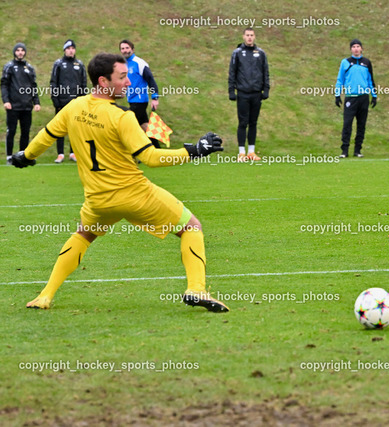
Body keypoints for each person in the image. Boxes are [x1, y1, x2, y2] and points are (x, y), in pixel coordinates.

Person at [11, 52, 228, 312]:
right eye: (122, 77)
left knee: (83, 235)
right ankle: (196, 290)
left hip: (98, 201)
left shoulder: (74, 108)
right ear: (103, 81)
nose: (128, 82)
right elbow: (151, 158)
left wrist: (26, 156)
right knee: (191, 227)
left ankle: (45, 296)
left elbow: (45, 136)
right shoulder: (122, 117)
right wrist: (194, 151)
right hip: (135, 195)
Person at [228, 27, 270, 162]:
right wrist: (231, 90)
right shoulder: (237, 53)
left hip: (256, 93)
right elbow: (232, 72)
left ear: (254, 36)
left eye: (251, 35)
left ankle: (251, 151)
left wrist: (266, 89)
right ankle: (241, 152)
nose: (249, 37)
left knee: (253, 122)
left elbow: (265, 72)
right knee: (243, 122)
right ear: (243, 37)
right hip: (243, 93)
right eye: (247, 35)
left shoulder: (261, 53)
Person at [335, 38, 376, 158]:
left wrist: (374, 96)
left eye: (358, 46)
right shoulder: (345, 62)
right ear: (350, 49)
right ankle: (344, 151)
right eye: (353, 47)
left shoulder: (366, 62)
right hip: (350, 97)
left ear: (361, 48)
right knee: (347, 124)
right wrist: (337, 95)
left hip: (363, 98)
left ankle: (357, 150)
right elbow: (340, 80)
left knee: (361, 125)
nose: (356, 49)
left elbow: (370, 80)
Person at [2, 43, 40, 165]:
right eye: (18, 50)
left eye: (22, 50)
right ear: (14, 52)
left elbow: (33, 86)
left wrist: (36, 102)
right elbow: (4, 85)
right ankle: (9, 157)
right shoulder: (9, 66)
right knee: (11, 131)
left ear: (25, 52)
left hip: (26, 106)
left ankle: (22, 156)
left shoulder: (29, 68)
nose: (20, 52)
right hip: (13, 106)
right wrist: (6, 101)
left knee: (25, 132)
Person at [50, 39, 87, 163]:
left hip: (76, 102)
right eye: (68, 48)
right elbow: (53, 83)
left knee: (75, 128)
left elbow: (83, 84)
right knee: (60, 128)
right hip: (62, 102)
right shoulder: (58, 64)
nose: (71, 51)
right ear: (64, 50)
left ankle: (73, 153)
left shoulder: (79, 64)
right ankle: (60, 154)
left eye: (72, 48)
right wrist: (56, 101)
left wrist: (82, 100)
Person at [119, 39, 161, 148]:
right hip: (132, 100)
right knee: (145, 127)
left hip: (140, 101)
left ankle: (130, 151)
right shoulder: (124, 64)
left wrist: (155, 98)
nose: (125, 50)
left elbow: (150, 79)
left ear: (132, 49)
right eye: (122, 48)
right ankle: (157, 149)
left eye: (127, 48)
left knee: (127, 124)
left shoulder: (139, 63)